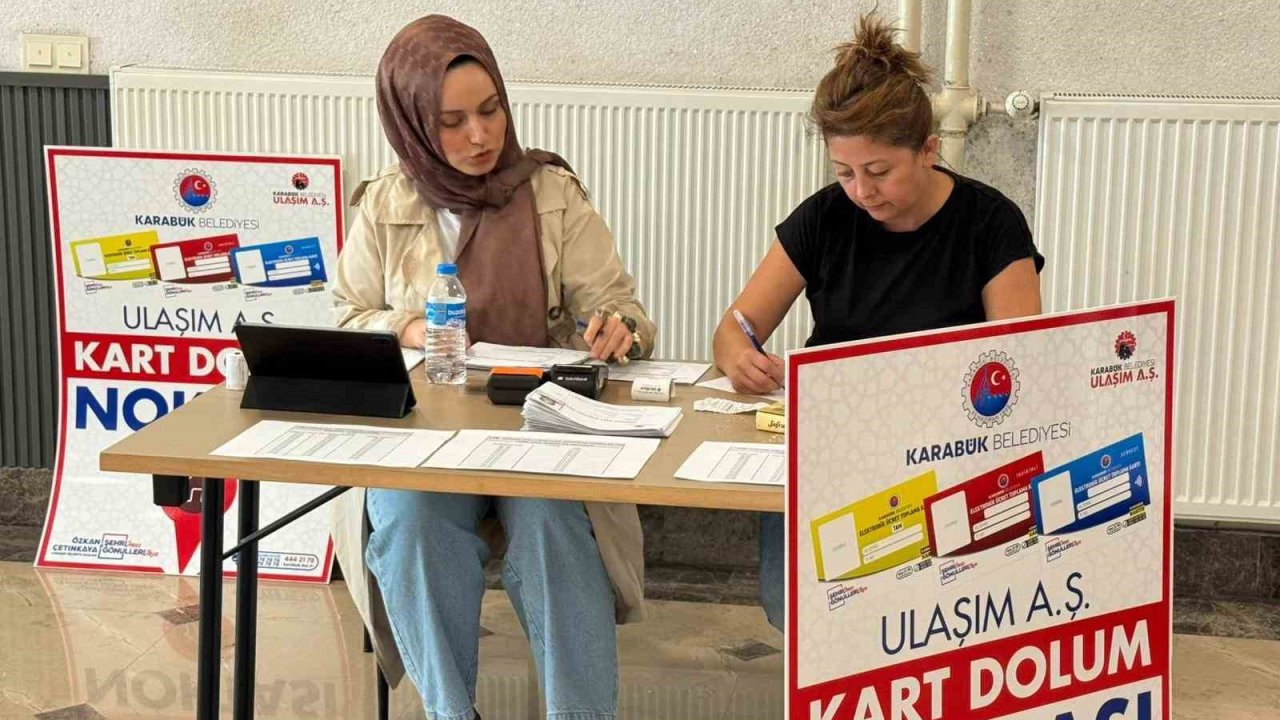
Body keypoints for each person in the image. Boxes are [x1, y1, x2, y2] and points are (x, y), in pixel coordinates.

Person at [328, 15, 655, 720]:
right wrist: (408, 325)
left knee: (552, 527)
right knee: (411, 524)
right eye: (451, 121)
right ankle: (452, 713)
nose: (480, 137)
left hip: (537, 430)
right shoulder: (385, 203)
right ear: (413, 123)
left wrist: (616, 329)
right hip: (421, 440)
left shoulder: (552, 192)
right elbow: (344, 315)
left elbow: (621, 306)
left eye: (490, 110)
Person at [711, 13, 1044, 632]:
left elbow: (1019, 369)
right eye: (844, 172)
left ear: (928, 148)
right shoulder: (824, 219)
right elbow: (736, 326)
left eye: (880, 171)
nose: (861, 191)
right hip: (833, 452)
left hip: (949, 458)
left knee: (915, 621)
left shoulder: (990, 226)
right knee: (800, 610)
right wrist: (737, 353)